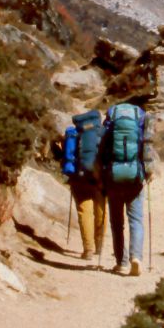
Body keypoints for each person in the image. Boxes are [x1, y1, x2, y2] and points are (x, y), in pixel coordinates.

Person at [98, 100, 156, 276]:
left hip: (114, 177)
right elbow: (148, 147)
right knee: (136, 220)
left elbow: (101, 149)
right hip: (135, 176)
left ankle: (121, 263)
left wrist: (101, 176)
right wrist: (149, 172)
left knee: (117, 223)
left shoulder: (111, 117)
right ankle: (136, 257)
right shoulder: (141, 117)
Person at [63, 111, 106, 263]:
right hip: (99, 178)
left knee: (84, 212)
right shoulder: (102, 132)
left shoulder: (74, 133)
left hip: (79, 178)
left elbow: (67, 156)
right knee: (100, 209)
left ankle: (88, 249)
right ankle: (99, 244)